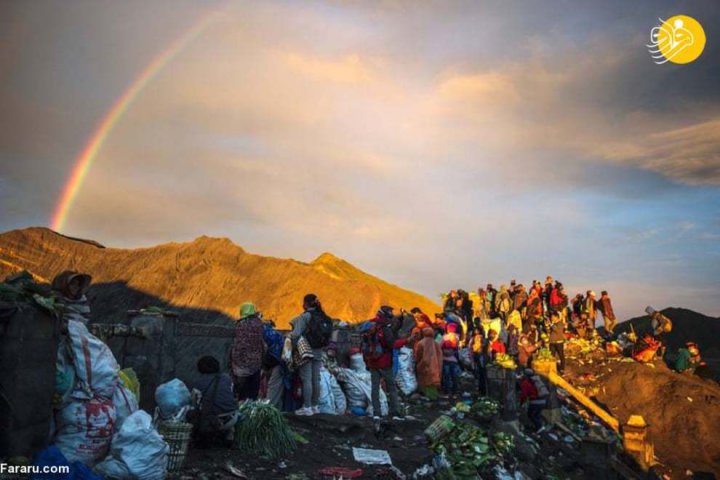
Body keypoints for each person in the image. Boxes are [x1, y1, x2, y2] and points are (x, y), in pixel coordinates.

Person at [362, 306, 408, 420]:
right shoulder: (384, 328)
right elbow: (391, 343)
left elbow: (393, 329)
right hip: (385, 362)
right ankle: (395, 412)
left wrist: (400, 319)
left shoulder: (369, 325)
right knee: (391, 387)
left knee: (374, 388)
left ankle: (376, 413)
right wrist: (407, 340)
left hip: (372, 362)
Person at [290, 293, 332, 416]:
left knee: (306, 379)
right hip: (319, 350)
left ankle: (307, 407)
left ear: (306, 304)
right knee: (316, 379)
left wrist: (291, 348)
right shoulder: (324, 316)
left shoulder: (306, 316)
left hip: (306, 351)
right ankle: (315, 406)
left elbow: (295, 334)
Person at [190, 356, 238, 447]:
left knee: (191, 411)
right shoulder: (227, 379)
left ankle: (198, 437)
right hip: (232, 418)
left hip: (211, 421)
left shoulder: (199, 383)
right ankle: (229, 435)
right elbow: (230, 396)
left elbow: (195, 403)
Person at [230, 302, 264, 401]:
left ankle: (242, 408)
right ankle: (252, 410)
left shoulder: (240, 324)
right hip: (256, 362)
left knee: (242, 393)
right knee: (253, 391)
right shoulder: (259, 324)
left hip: (241, 364)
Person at [262, 320, 286, 410]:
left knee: (271, 387)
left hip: (271, 363)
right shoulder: (277, 335)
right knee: (276, 388)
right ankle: (277, 411)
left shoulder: (263, 333)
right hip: (279, 364)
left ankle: (267, 411)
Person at [414, 327, 443, 400]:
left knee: (425, 380)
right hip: (435, 365)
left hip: (424, 364)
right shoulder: (435, 343)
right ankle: (433, 396)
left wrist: (418, 363)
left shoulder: (421, 343)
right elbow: (440, 354)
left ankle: (427, 396)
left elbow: (418, 355)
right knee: (433, 382)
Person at [441, 323, 461, 396]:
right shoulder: (457, 337)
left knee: (446, 377)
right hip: (454, 359)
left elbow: (439, 346)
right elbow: (458, 348)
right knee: (454, 377)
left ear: (448, 329)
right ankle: (454, 393)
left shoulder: (444, 337)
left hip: (445, 359)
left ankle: (446, 393)